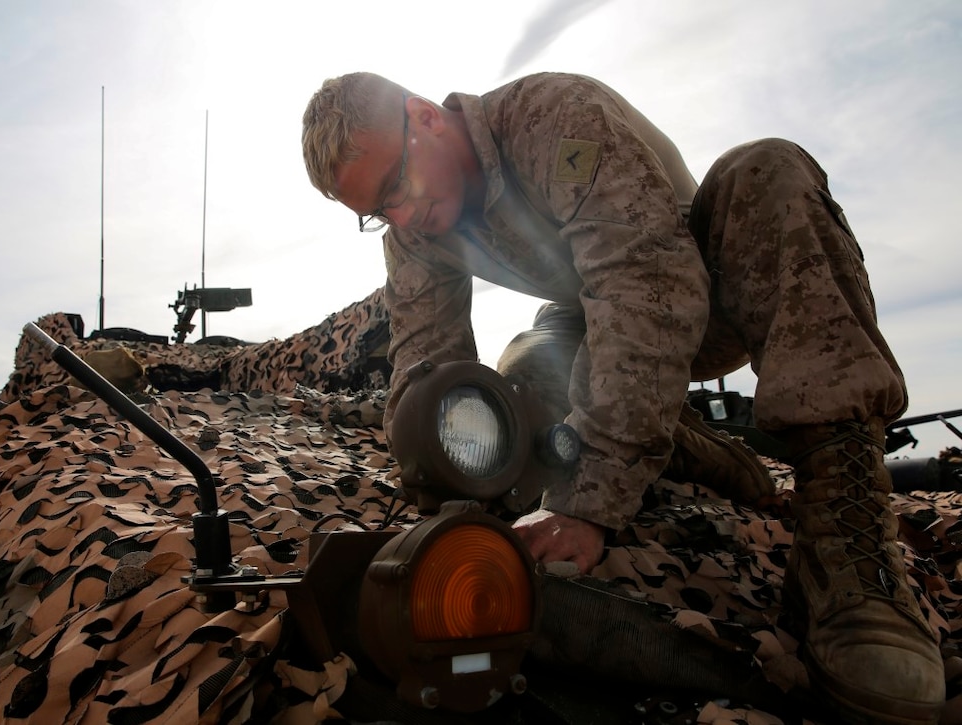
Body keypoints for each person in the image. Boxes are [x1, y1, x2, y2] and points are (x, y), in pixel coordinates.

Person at [301, 71, 944, 723]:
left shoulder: (554, 119)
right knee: (517, 379)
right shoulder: (413, 232)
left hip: (707, 285)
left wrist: (588, 498)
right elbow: (425, 370)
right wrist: (443, 476)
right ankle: (685, 441)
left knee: (769, 168)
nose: (402, 216)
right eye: (379, 211)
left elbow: (648, 280)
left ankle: (850, 550)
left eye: (396, 186)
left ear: (426, 117)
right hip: (588, 314)